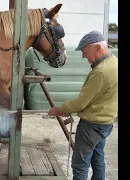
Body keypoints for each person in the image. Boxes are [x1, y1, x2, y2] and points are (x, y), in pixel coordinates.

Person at [48, 31, 118, 180]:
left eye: (85, 52)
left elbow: (81, 102)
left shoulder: (101, 71)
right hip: (105, 123)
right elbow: (99, 97)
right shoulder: (114, 63)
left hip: (91, 126)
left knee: (80, 165)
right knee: (97, 160)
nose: (83, 56)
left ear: (98, 47)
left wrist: (59, 110)